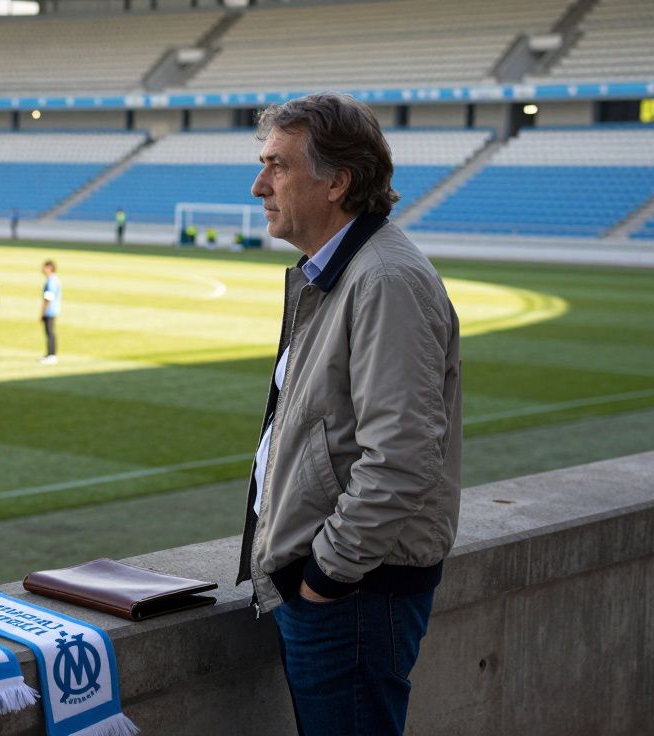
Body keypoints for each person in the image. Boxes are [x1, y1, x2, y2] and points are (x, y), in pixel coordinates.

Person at [238, 93, 461, 736]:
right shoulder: (344, 270)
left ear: (338, 181)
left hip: (355, 596)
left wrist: (325, 577)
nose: (259, 185)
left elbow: (401, 456)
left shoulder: (385, 278)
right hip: (343, 592)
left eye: (278, 166)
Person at [39, 260, 61, 364]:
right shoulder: (54, 279)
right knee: (50, 332)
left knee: (50, 332)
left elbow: (48, 297)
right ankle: (50, 354)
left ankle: (51, 355)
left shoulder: (51, 281)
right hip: (54, 309)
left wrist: (43, 312)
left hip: (50, 310)